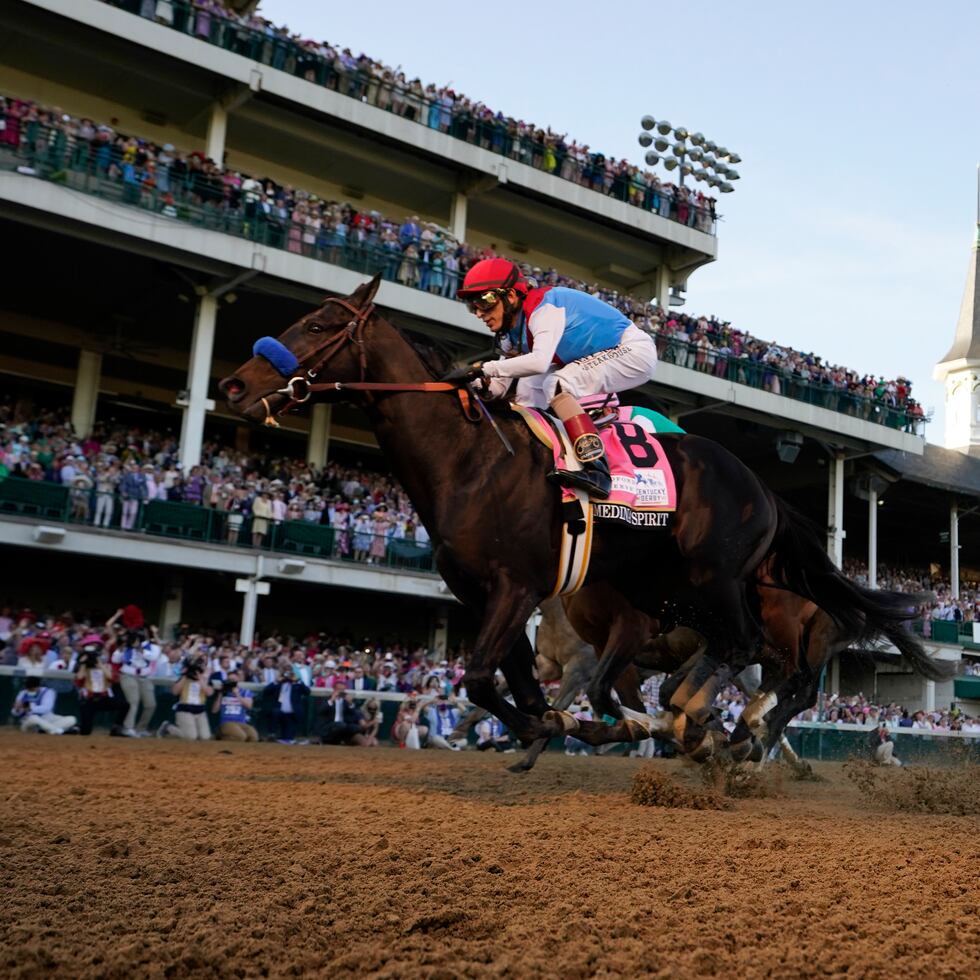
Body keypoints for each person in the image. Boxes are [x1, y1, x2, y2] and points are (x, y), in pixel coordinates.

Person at [454, 258, 658, 498]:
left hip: (633, 350)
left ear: (510, 297)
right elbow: (497, 387)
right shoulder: (510, 333)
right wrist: (468, 382)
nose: (479, 313)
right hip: (590, 355)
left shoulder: (544, 308)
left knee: (557, 383)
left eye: (484, 302)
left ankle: (597, 468)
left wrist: (484, 368)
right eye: (472, 306)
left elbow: (539, 361)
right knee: (528, 392)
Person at [74, 634, 127, 736]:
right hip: (88, 699)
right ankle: (78, 729)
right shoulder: (82, 663)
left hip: (103, 698)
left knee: (124, 705)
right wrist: (84, 663)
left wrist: (100, 664)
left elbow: (111, 677)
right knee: (86, 731)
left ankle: (116, 728)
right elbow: (79, 678)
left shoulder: (105, 664)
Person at [158, 657, 212, 740]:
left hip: (200, 711)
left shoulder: (205, 679)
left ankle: (190, 731)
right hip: (185, 709)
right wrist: (185, 676)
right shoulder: (184, 678)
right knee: (191, 737)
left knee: (205, 737)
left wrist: (201, 679)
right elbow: (175, 692)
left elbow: (209, 693)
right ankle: (168, 727)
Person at [12, 676, 78, 734]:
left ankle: (45, 730)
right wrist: (17, 709)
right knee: (34, 718)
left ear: (38, 686)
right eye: (28, 688)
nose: (30, 690)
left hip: (46, 717)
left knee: (72, 719)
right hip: (28, 721)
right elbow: (14, 712)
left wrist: (30, 707)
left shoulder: (48, 692)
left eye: (32, 688)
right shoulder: (23, 693)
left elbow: (46, 708)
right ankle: (60, 731)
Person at [211, 671, 258, 741]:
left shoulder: (245, 692)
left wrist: (237, 695)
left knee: (253, 737)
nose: (231, 682)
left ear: (238, 680)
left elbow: (249, 706)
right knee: (241, 736)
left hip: (241, 723)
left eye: (233, 680)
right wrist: (220, 694)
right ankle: (219, 740)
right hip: (226, 723)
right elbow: (214, 710)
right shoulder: (223, 693)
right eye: (229, 680)